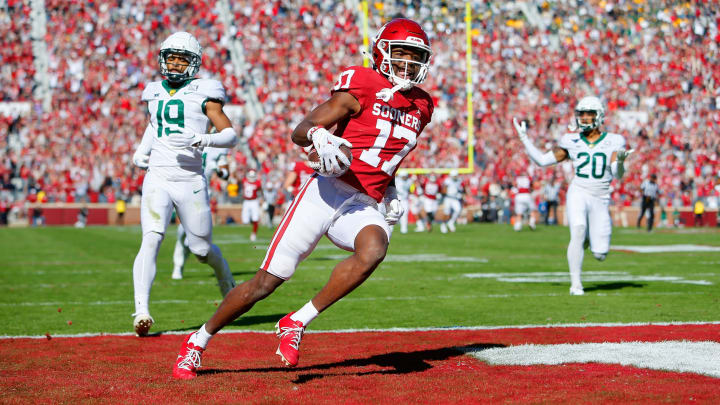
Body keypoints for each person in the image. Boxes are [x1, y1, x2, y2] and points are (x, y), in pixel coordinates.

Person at [173, 18, 434, 379]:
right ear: (381, 53)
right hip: (325, 192)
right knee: (264, 283)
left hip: (361, 203)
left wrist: (391, 189)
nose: (409, 62)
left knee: (374, 249)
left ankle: (296, 321)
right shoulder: (362, 83)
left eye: (416, 55)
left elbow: (389, 153)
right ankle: (197, 342)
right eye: (401, 53)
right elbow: (301, 129)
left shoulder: (422, 105)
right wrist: (319, 136)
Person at [130, 32, 237, 337]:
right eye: (171, 58)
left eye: (182, 59)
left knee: (201, 249)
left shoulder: (205, 91)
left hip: (190, 178)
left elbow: (230, 135)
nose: (175, 64)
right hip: (158, 175)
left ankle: (225, 280)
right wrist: (142, 150)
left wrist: (205, 138)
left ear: (194, 63)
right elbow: (155, 124)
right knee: (151, 238)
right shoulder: (153, 91)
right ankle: (142, 310)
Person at [514, 96, 632, 295]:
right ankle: (576, 284)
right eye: (581, 114)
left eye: (589, 114)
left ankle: (587, 239)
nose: (584, 118)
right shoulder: (572, 140)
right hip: (578, 191)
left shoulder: (614, 140)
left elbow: (617, 174)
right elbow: (543, 161)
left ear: (599, 115)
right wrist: (525, 139)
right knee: (577, 229)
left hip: (601, 197)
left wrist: (620, 163)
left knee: (600, 254)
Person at [171, 146, 231, 280]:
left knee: (192, 236)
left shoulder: (218, 148)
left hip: (203, 194)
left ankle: (181, 263)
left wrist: (218, 170)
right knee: (183, 232)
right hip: (185, 190)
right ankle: (178, 265)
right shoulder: (190, 136)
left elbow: (226, 174)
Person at [241, 169, 263, 241]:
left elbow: (260, 191)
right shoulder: (244, 180)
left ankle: (254, 234)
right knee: (245, 220)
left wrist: (261, 198)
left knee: (255, 218)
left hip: (254, 201)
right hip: (246, 201)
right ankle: (252, 224)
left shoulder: (257, 182)